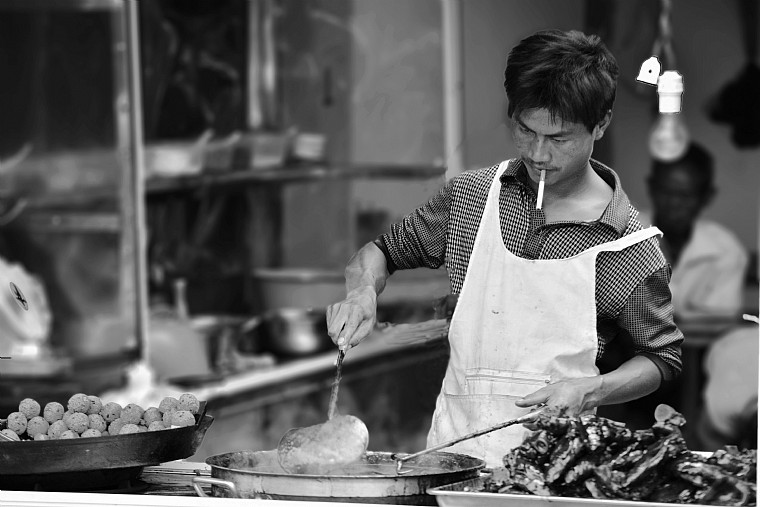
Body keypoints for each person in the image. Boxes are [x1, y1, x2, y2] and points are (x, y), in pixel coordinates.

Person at [326, 29, 683, 467]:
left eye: (559, 139)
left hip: (555, 466)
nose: (539, 154)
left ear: (601, 124)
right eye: (525, 130)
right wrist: (362, 292)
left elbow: (661, 358)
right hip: (451, 459)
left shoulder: (627, 242)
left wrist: (594, 390)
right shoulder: (472, 197)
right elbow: (380, 252)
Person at [639, 142, 749, 320]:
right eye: (665, 192)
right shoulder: (622, 237)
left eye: (685, 196)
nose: (673, 204)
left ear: (707, 197)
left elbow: (718, 323)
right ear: (651, 188)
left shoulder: (725, 250)